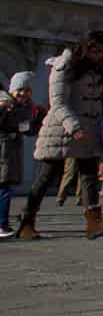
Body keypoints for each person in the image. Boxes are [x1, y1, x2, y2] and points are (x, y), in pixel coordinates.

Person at [16, 31, 103, 240]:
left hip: (89, 129)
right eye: (94, 49)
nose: (98, 55)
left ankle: (94, 222)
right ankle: (27, 222)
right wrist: (74, 126)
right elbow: (58, 102)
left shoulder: (101, 71)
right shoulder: (64, 65)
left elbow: (101, 104)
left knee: (90, 174)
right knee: (46, 176)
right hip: (61, 129)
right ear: (84, 47)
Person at [0, 71, 39, 237]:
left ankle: (3, 224)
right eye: (20, 90)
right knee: (4, 189)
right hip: (2, 150)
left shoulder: (26, 107)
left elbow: (28, 130)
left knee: (5, 187)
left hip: (12, 151)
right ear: (13, 89)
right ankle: (2, 225)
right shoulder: (4, 103)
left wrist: (38, 119)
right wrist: (2, 109)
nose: (23, 93)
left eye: (27, 90)